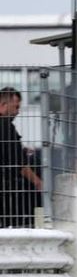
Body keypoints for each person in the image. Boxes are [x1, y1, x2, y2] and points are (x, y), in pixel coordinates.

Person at [0, 88, 41, 227]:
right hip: (8, 191)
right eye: (16, 107)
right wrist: (37, 182)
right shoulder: (5, 126)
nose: (18, 112)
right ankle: (37, 224)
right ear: (3, 105)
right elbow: (19, 164)